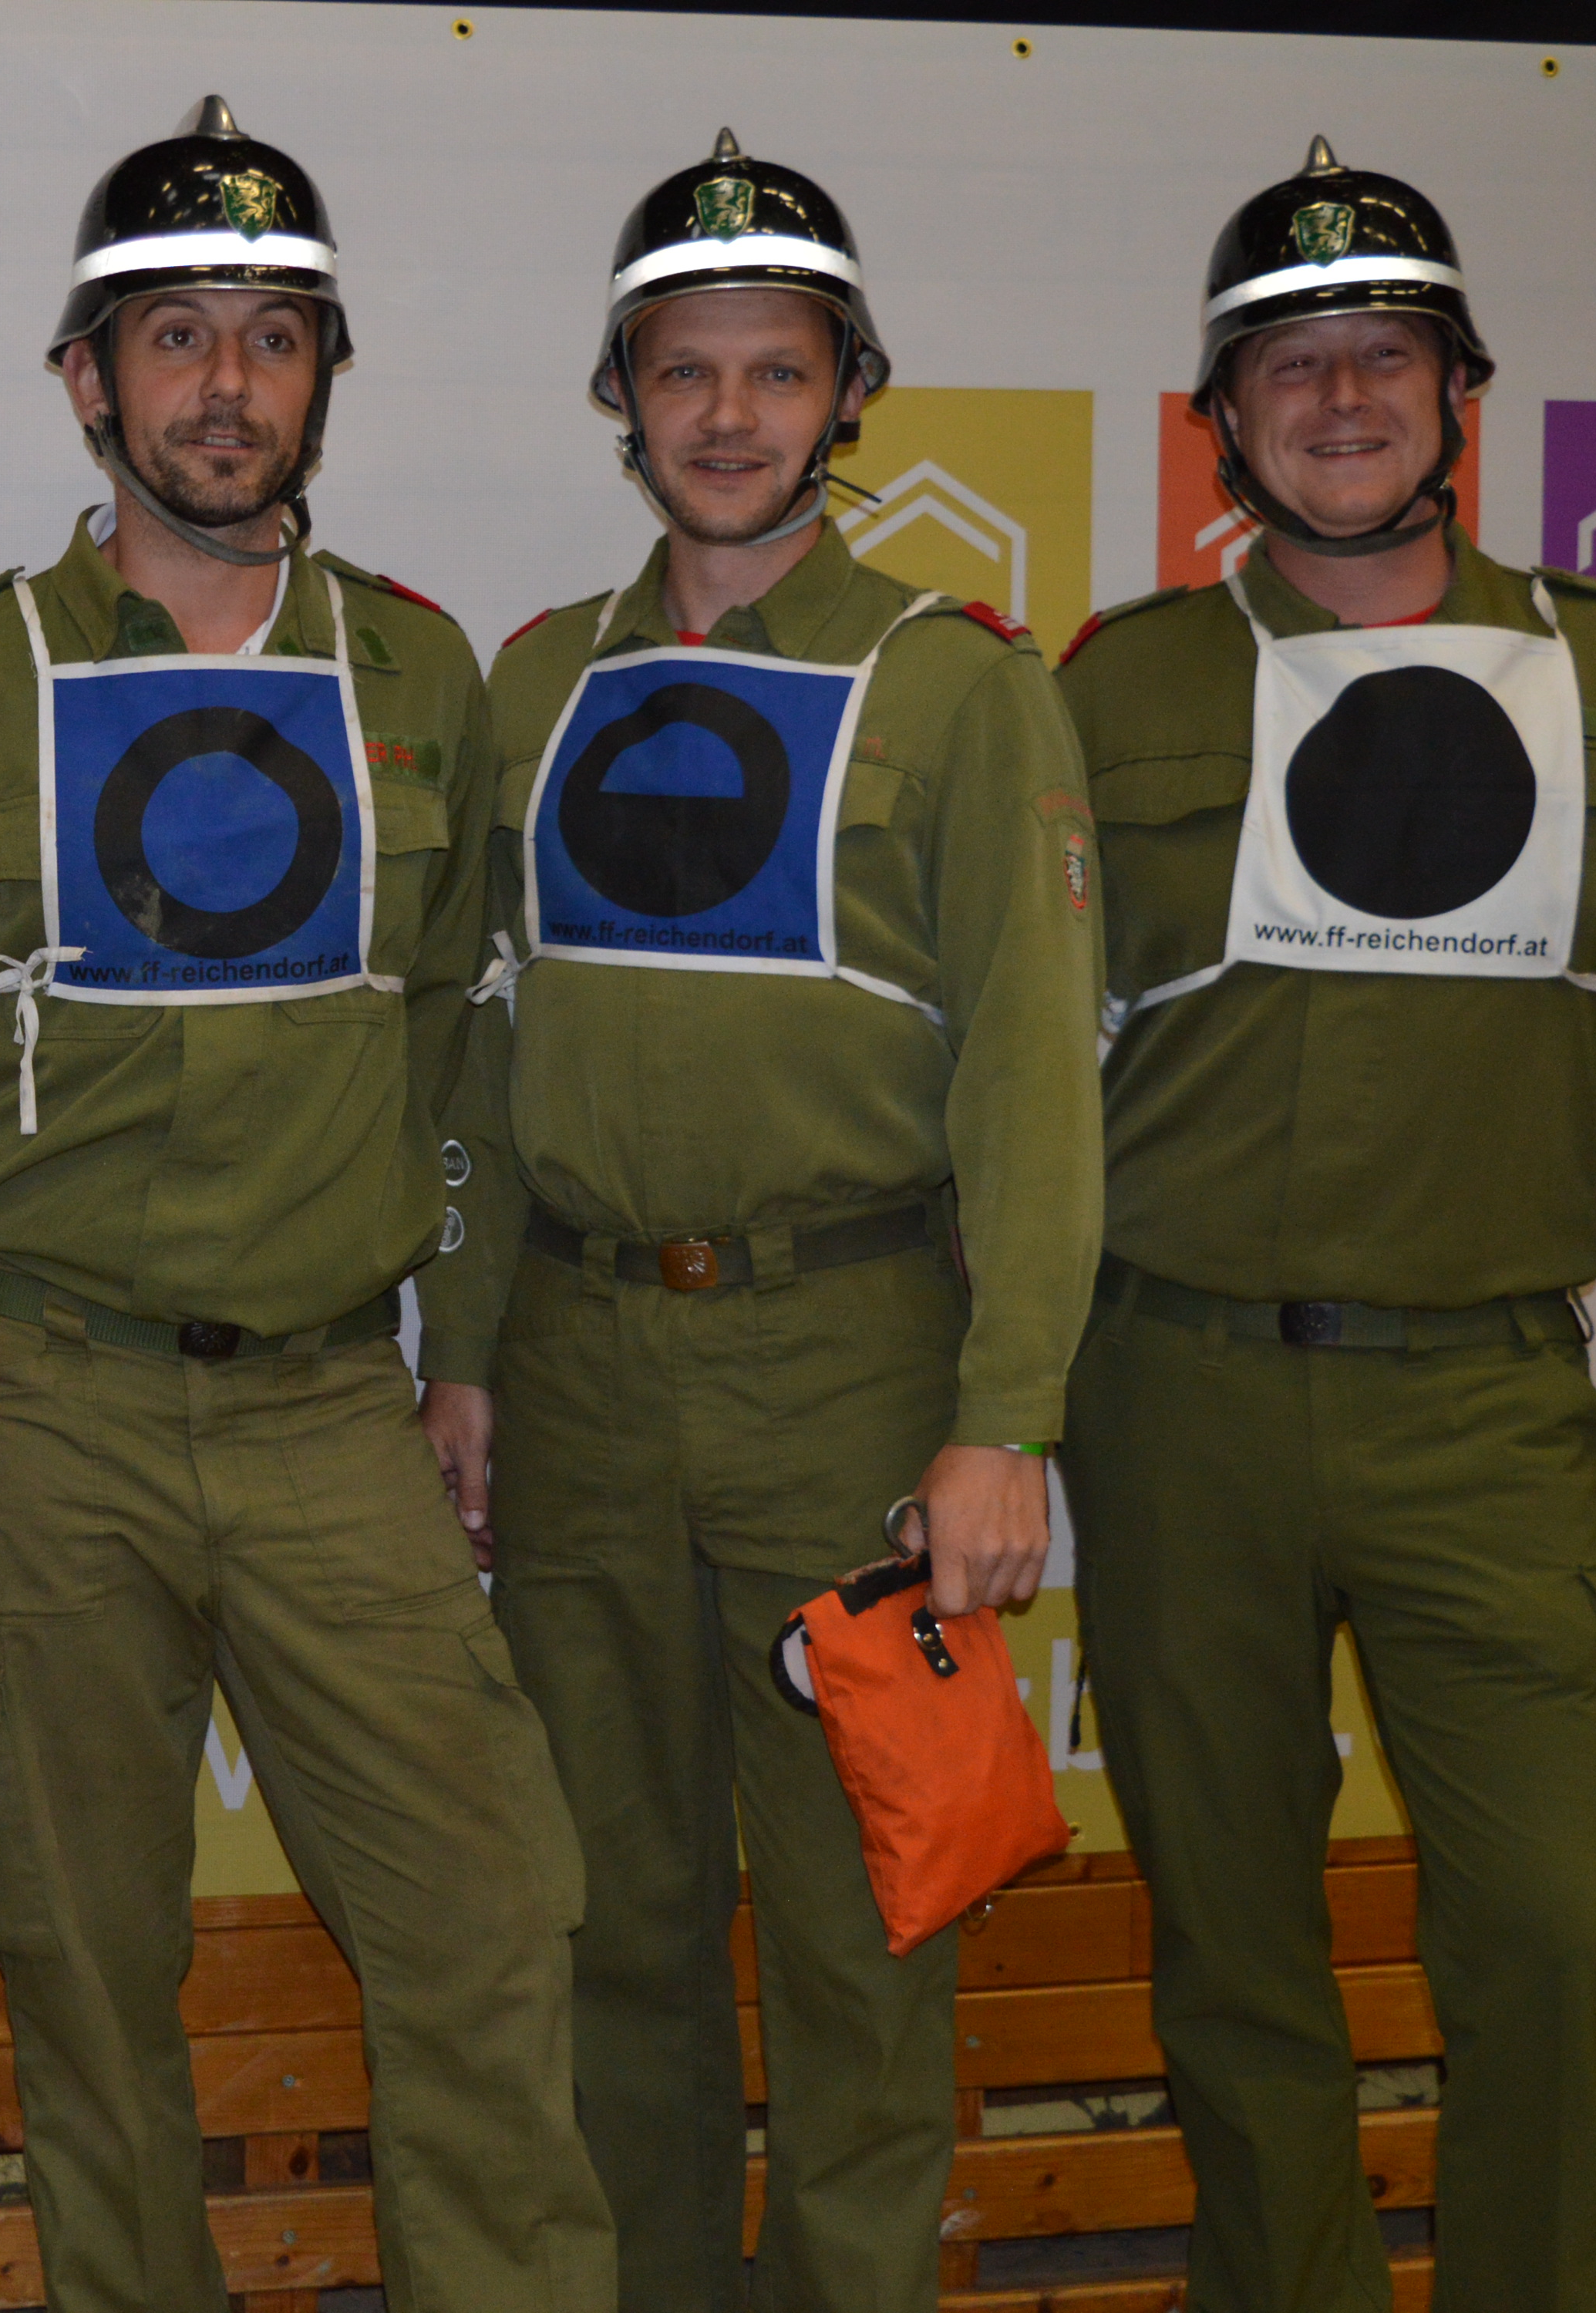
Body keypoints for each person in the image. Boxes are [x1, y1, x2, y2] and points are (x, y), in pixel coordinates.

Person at [0, 95, 614, 2313]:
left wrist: (444, 1347)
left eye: (273, 338)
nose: (225, 385)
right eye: (175, 334)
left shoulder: (419, 673)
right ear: (88, 379)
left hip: (326, 1416)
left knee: (486, 1918)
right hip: (45, 1409)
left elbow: (455, 1036)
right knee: (85, 1969)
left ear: (323, 378)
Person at [1052, 136, 1596, 2313]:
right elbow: (1005, 1072)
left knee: (1552, 1931)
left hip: (1486, 1409)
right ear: (1220, 417)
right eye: (1291, 363)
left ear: (1464, 391)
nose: (1344, 396)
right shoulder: (1114, 686)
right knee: (1235, 1952)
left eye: (1387, 352)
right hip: (1176, 1397)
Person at [414, 130, 1102, 2313]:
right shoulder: (537, 684)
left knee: (861, 1930)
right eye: (684, 370)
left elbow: (1032, 1082)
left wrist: (1005, 1417)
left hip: (853, 1379)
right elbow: (484, 1058)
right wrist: (464, 1353)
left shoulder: (962, 683)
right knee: (610, 1926)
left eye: (777, 370)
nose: (728, 415)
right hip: (583, 1374)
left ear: (849, 393)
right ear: (624, 397)